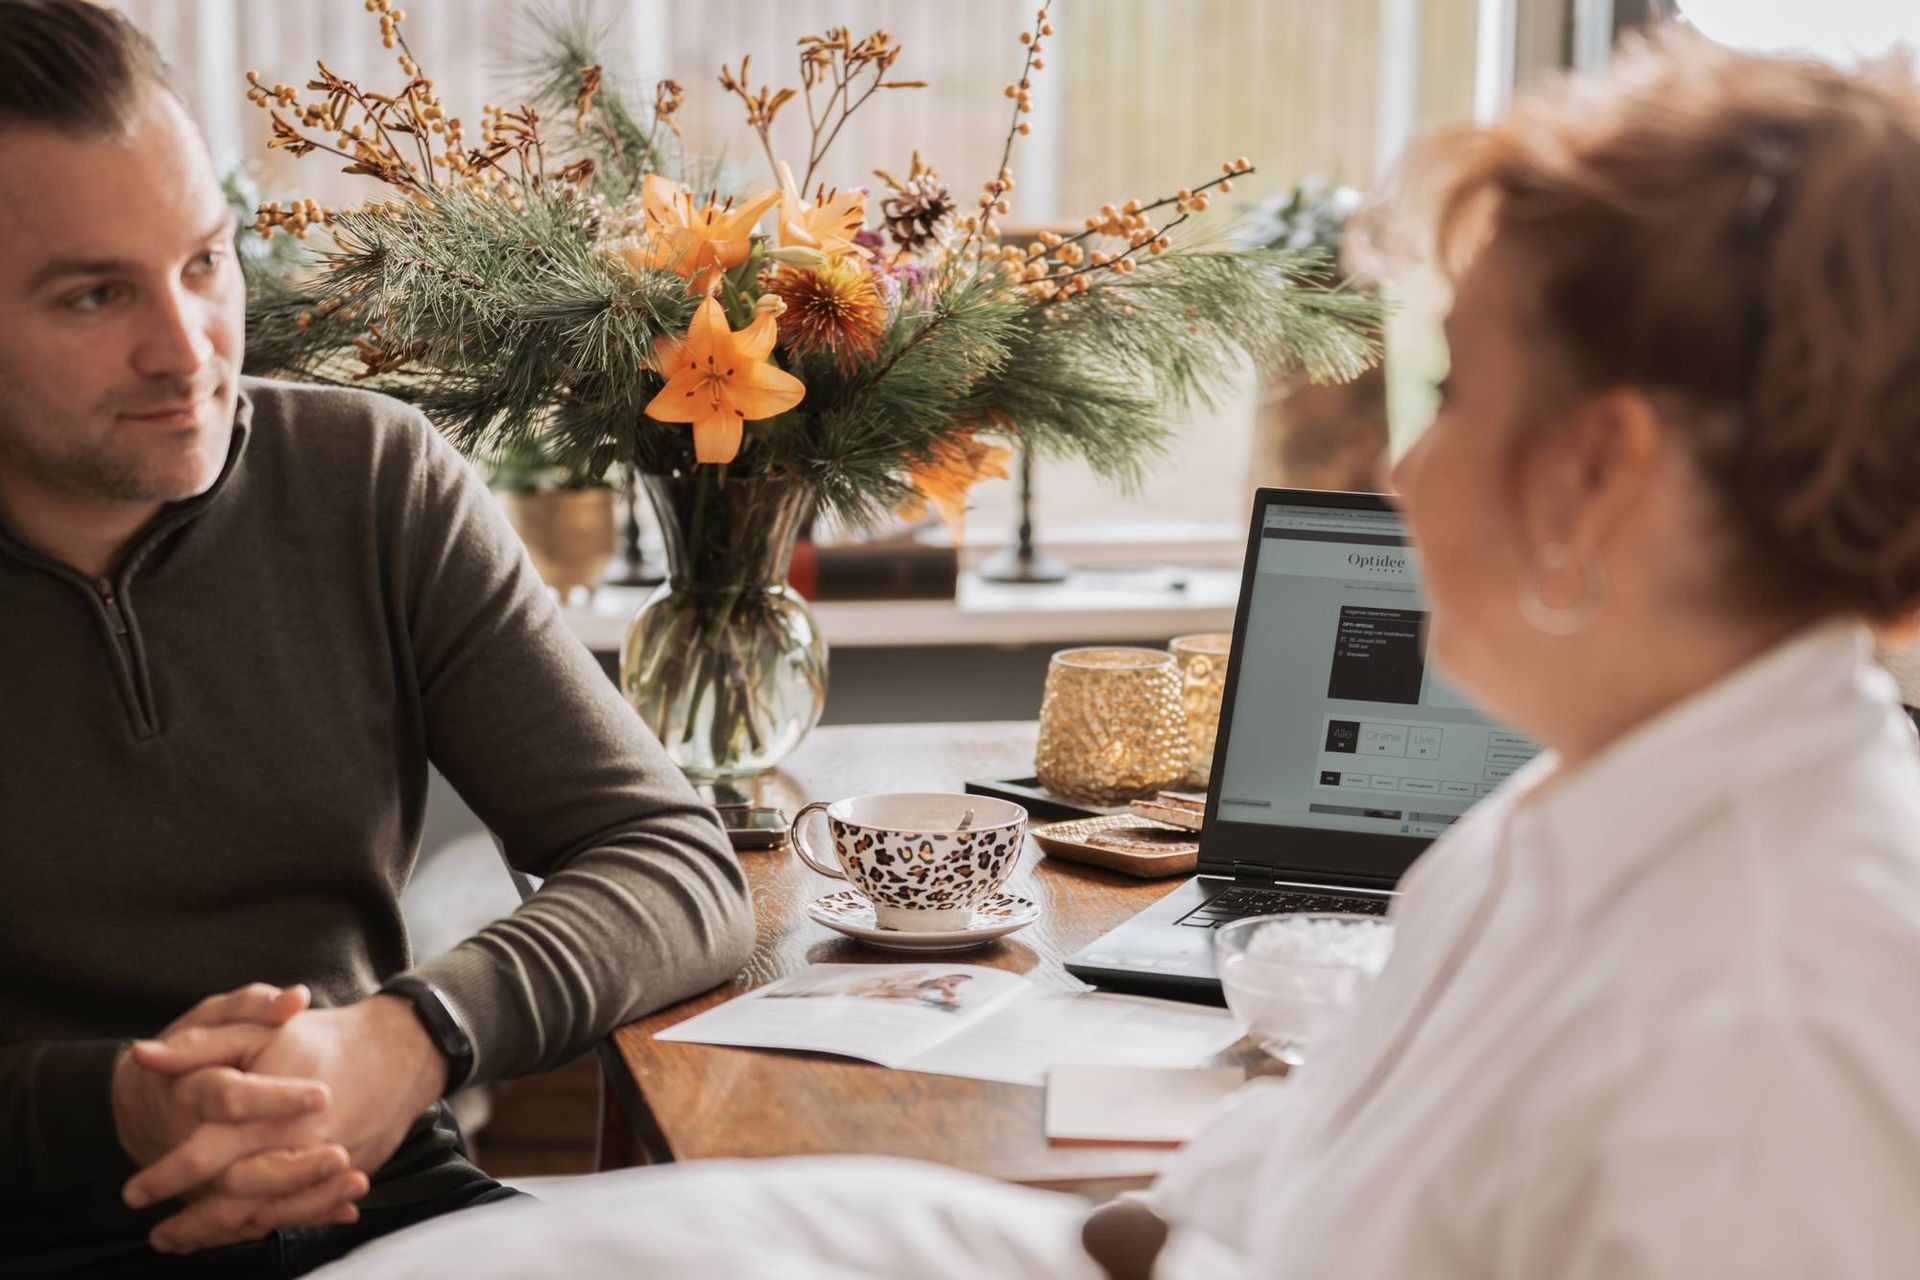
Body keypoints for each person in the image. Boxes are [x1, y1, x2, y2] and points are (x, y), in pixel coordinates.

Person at [306, 25, 1920, 1280]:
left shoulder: (1790, 1010)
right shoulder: (1567, 816)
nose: (1406, 478)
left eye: (1465, 401)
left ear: (1603, 472)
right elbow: (1281, 1186)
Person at [0, 2, 754, 1273]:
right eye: (92, 295)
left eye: (203, 261)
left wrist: (412, 1037)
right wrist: (119, 1106)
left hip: (391, 1217)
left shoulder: (367, 477)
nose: (186, 352)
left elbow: (675, 862)